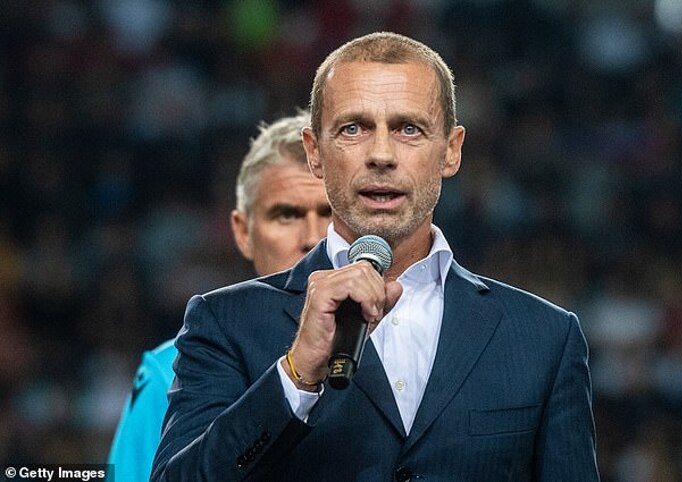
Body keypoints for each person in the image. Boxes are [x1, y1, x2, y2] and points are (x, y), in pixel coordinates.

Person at [151, 32, 599, 481]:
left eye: (409, 129)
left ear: (451, 150)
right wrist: (295, 373)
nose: (381, 155)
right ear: (314, 153)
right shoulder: (224, 323)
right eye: (353, 128)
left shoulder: (546, 338)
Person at [108, 111, 331, 482]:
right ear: (243, 232)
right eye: (286, 215)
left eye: (330, 213)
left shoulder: (394, 347)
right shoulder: (169, 370)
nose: (312, 238)